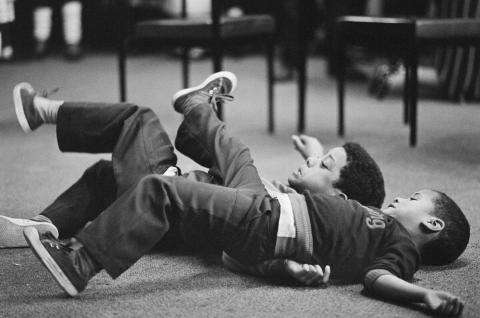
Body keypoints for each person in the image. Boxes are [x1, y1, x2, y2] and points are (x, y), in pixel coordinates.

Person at [13, 72, 469, 316]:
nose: (400, 199)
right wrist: (314, 155)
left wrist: (420, 297)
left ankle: (81, 262)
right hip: (272, 210)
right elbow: (345, 204)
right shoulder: (370, 220)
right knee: (227, 156)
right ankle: (196, 110)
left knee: (154, 168)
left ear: (432, 223)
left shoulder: (396, 248)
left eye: (414, 198)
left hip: (266, 220)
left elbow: (378, 279)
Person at [0, 77, 385, 248]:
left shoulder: (281, 214)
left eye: (324, 166)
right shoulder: (292, 203)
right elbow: (327, 187)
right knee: (105, 175)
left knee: (140, 119)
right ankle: (46, 226)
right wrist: (314, 157)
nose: (314, 161)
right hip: (170, 200)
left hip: (166, 201)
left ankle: (42, 110)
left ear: (339, 199)